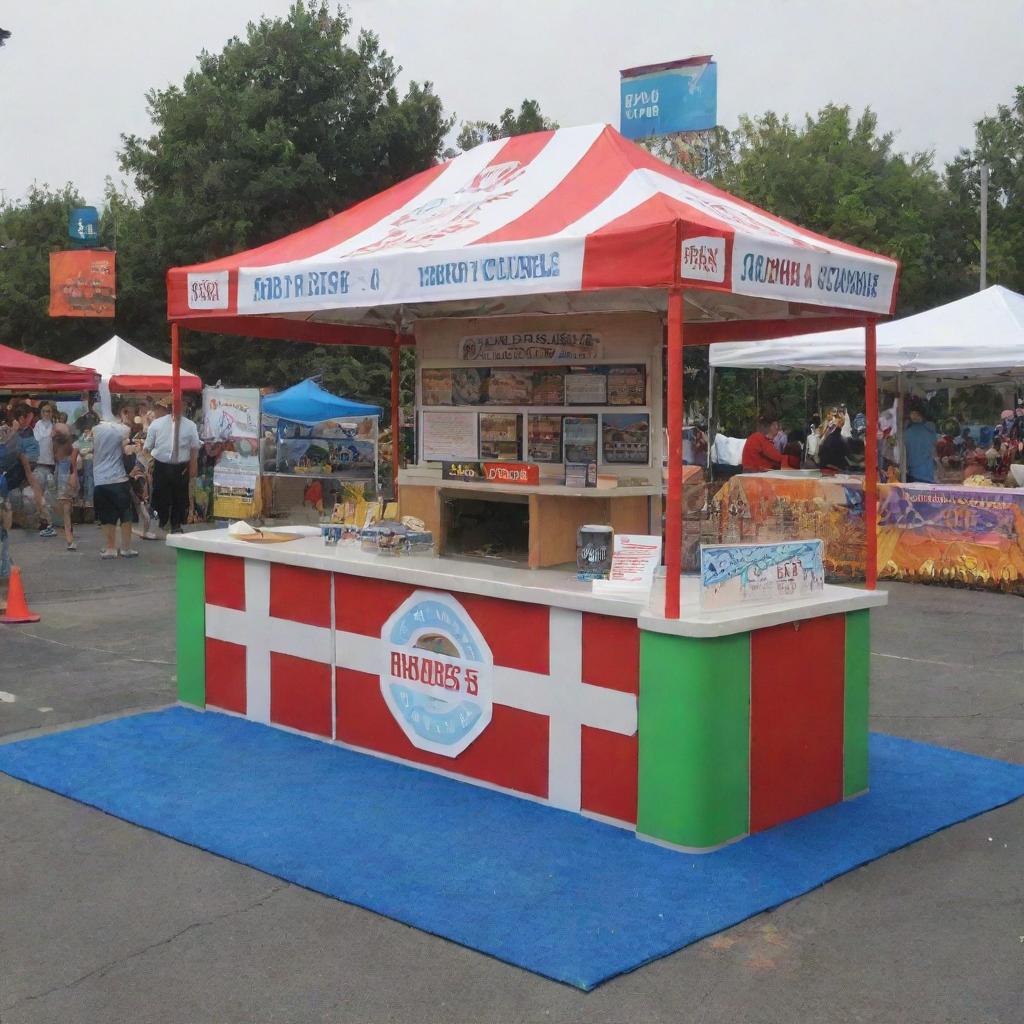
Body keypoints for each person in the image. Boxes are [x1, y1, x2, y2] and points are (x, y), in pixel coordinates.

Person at [145, 397, 200, 534]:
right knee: (161, 494)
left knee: (179, 496)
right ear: (170, 407)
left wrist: (194, 466)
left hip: (181, 466)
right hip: (161, 465)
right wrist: (149, 463)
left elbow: (194, 448)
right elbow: (147, 447)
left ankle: (176, 523)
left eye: (182, 405)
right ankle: (163, 520)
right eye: (176, 405)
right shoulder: (157, 424)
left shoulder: (190, 425)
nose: (179, 408)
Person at [92, 409, 136, 558]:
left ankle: (110, 548)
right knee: (125, 513)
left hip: (100, 480)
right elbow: (128, 431)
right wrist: (123, 419)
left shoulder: (95, 430)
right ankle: (126, 548)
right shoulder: (119, 429)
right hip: (118, 479)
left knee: (106, 515)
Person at [11, 404, 53, 535]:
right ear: (22, 418)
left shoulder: (30, 431)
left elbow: (33, 453)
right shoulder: (12, 431)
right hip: (16, 471)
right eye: (29, 416)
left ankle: (43, 520)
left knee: (35, 493)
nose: (31, 418)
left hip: (28, 469)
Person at [52, 417, 79, 550]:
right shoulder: (68, 446)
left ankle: (69, 536)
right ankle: (69, 536)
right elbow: (72, 462)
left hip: (61, 472)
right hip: (65, 472)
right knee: (67, 507)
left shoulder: (55, 444)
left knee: (65, 508)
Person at [903, 406, 937, 484]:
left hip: (913, 473)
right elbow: (934, 449)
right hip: (926, 473)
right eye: (913, 414)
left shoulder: (907, 432)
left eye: (916, 414)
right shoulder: (930, 430)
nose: (914, 416)